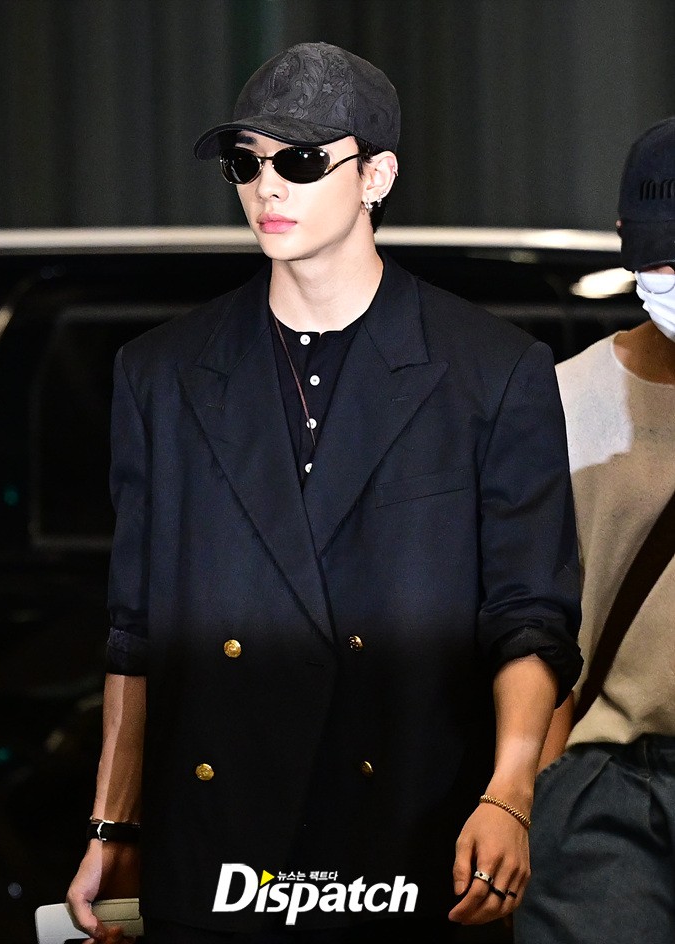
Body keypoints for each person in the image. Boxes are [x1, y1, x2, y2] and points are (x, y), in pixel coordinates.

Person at [66, 42, 582, 944]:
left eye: (301, 161)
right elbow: (135, 629)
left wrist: (510, 794)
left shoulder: (492, 371)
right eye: (247, 163)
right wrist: (115, 827)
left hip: (409, 836)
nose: (268, 186)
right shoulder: (162, 373)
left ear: (376, 176)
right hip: (219, 847)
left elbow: (530, 615)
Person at [514, 117, 675, 944]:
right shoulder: (561, 402)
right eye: (664, 259)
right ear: (626, 241)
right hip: (609, 777)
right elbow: (534, 625)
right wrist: (525, 796)